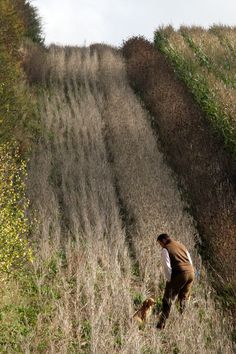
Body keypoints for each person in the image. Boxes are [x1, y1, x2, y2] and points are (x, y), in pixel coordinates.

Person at [156, 233, 194, 329]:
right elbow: (189, 260)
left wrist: (169, 281)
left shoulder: (166, 249)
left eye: (160, 243)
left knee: (167, 299)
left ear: (163, 241)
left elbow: (167, 266)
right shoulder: (181, 245)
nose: (161, 246)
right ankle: (182, 322)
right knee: (183, 298)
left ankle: (161, 324)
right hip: (191, 273)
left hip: (180, 273)